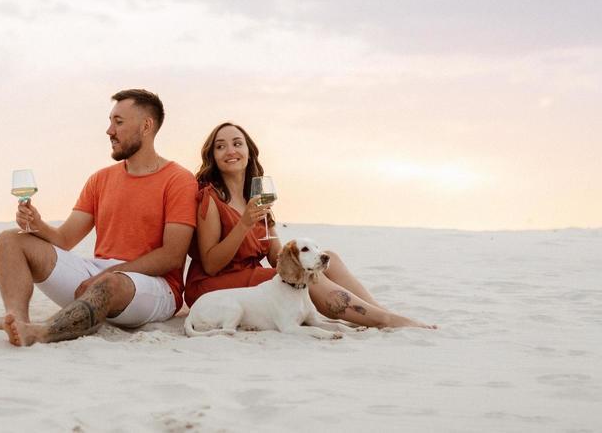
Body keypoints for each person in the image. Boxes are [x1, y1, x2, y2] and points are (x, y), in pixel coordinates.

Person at [0, 89, 198, 346]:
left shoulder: (178, 179)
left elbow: (172, 256)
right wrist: (36, 224)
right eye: (110, 121)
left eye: (118, 122)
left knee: (110, 283)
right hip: (99, 275)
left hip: (156, 286)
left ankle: (42, 332)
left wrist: (106, 275)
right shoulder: (101, 178)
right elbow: (64, 239)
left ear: (146, 126)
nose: (109, 131)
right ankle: (17, 320)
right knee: (11, 239)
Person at [186, 120, 435, 330]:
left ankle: (377, 312)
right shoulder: (211, 198)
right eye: (221, 146)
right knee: (306, 275)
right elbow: (210, 264)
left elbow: (276, 259)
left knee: (329, 259)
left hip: (251, 279)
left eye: (237, 143)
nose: (230, 150)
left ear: (249, 151)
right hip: (215, 287)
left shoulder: (256, 197)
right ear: (213, 156)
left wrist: (298, 254)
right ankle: (384, 320)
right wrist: (244, 224)